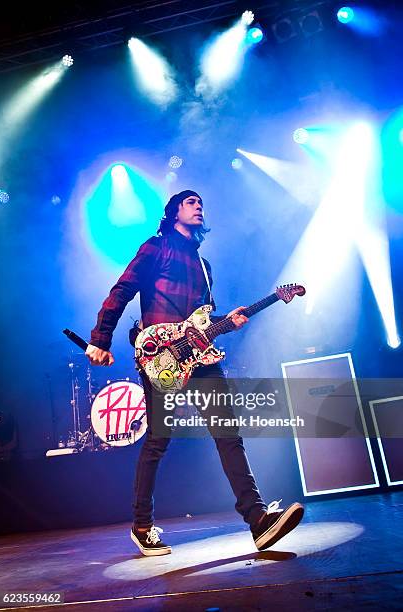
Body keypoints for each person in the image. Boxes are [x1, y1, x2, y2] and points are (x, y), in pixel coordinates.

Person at [86, 190, 304, 557]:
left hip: (200, 358)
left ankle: (259, 521)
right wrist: (100, 338)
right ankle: (142, 525)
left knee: (228, 433)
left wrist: (228, 322)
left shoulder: (205, 267)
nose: (199, 206)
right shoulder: (155, 248)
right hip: (161, 355)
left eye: (202, 202)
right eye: (191, 202)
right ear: (173, 213)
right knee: (158, 440)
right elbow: (121, 290)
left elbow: (202, 321)